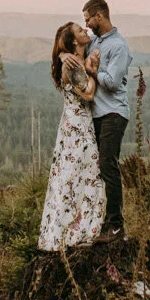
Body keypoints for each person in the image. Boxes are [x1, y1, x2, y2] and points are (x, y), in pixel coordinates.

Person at [36, 21, 104, 251]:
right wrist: (90, 70)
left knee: (78, 175)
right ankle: (72, 232)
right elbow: (89, 93)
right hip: (77, 128)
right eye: (79, 31)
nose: (85, 31)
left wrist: (66, 55)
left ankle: (74, 229)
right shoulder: (72, 66)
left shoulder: (72, 59)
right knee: (78, 174)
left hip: (76, 125)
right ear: (74, 41)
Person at [81, 0, 132, 242]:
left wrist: (92, 71)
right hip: (97, 115)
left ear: (99, 16)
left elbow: (111, 82)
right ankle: (100, 223)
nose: (87, 24)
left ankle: (116, 226)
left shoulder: (119, 46)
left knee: (108, 165)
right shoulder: (94, 43)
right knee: (98, 169)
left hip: (114, 113)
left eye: (88, 19)